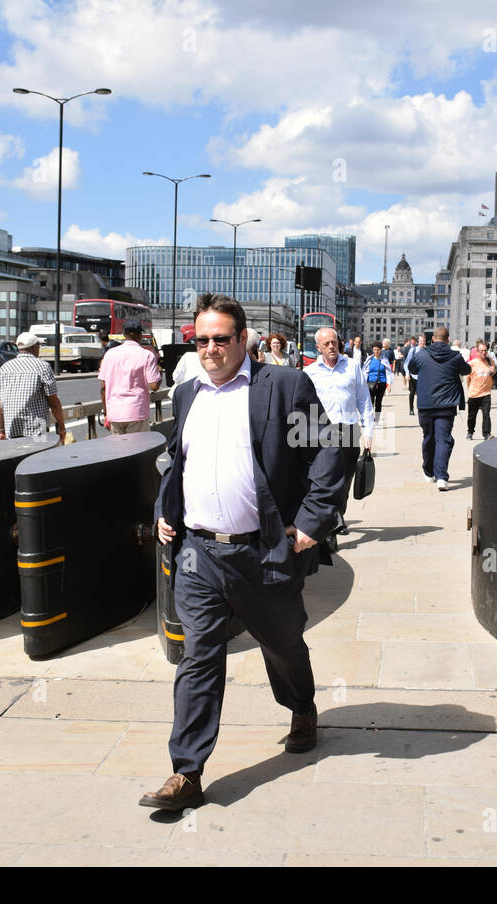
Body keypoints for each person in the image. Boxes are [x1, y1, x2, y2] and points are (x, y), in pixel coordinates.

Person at [142, 294, 345, 812]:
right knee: (198, 657)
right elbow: (177, 459)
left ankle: (301, 707)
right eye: (201, 339)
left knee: (282, 642)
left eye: (221, 339)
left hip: (265, 550)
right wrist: (168, 510)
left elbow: (331, 445)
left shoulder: (283, 385)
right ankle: (186, 771)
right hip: (199, 553)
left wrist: (311, 524)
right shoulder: (186, 394)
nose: (210, 348)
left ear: (243, 340)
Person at [304, 327, 373, 536]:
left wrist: (368, 432)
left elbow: (364, 400)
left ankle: (338, 515)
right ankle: (331, 523)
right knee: (326, 479)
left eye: (334, 342)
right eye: (326, 344)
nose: (332, 346)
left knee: (345, 480)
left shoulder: (352, 366)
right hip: (323, 431)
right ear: (318, 347)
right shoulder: (310, 373)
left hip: (350, 430)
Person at [407, 326, 471, 491]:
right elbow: (467, 370)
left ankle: (429, 472)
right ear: (448, 340)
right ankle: (442, 477)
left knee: (428, 438)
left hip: (426, 405)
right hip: (447, 405)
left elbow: (411, 368)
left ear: (433, 339)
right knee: (443, 440)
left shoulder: (421, 354)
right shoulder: (455, 356)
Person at [0, 331, 67, 441]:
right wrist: (61, 427)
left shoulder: (5, 368)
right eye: (39, 345)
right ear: (34, 347)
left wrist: (1, 430)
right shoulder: (43, 367)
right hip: (36, 430)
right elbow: (53, 402)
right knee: (38, 458)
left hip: (11, 430)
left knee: (16, 457)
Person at [98, 318, 161, 433]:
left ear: (123, 334)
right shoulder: (147, 355)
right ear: (140, 335)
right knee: (138, 450)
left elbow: (103, 387)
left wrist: (106, 413)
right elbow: (154, 386)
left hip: (115, 413)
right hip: (137, 412)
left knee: (119, 450)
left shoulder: (109, 354)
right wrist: (159, 371)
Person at [465, 339, 494, 441]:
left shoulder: (490, 361)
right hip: (474, 394)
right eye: (481, 351)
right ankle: (470, 432)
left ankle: (487, 434)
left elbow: (493, 374)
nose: (483, 353)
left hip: (486, 393)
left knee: (486, 415)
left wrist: (492, 371)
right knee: (472, 416)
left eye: (485, 350)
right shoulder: (472, 363)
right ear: (477, 352)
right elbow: (468, 379)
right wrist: (470, 391)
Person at [365, 343, 390, 421]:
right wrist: (363, 383)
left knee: (378, 402)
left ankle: (377, 420)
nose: (376, 351)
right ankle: (370, 418)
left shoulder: (384, 360)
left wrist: (389, 384)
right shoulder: (369, 359)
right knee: (370, 402)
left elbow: (388, 372)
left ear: (381, 350)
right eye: (374, 349)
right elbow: (365, 371)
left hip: (381, 383)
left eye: (378, 350)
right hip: (370, 383)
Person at [405, 334, 427, 415]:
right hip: (413, 375)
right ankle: (411, 409)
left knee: (421, 393)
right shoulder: (413, 350)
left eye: (424, 341)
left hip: (423, 376)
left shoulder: (427, 350)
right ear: (418, 341)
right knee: (412, 393)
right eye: (421, 341)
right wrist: (407, 373)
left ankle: (421, 409)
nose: (422, 342)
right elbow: (407, 363)